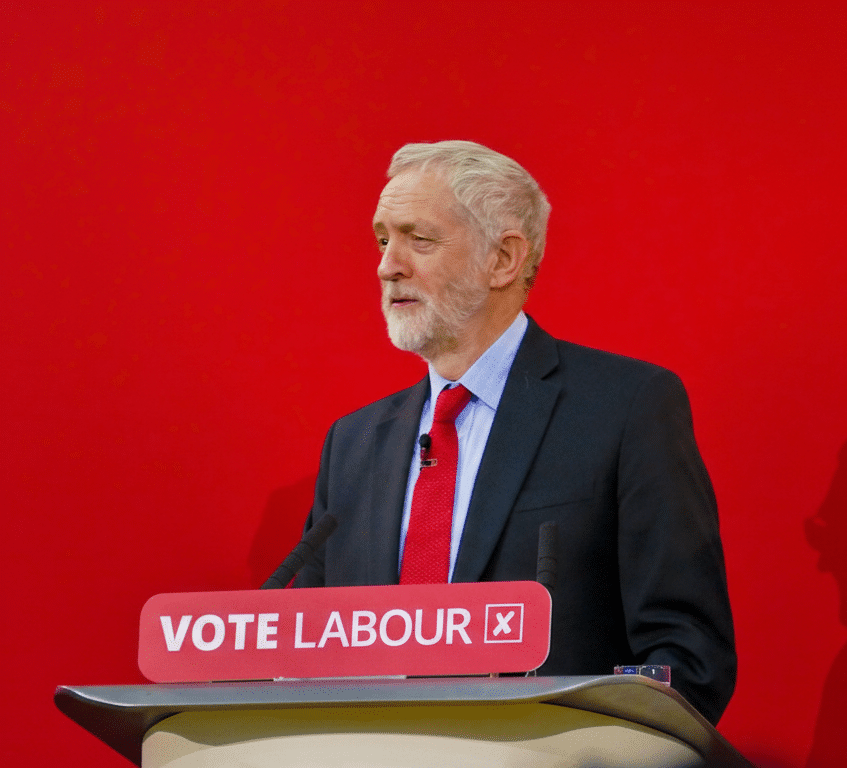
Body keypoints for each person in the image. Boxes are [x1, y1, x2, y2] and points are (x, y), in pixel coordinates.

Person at [292, 140, 736, 723]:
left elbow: (686, 655)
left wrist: (584, 734)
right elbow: (299, 649)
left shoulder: (625, 408)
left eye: (417, 238)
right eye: (382, 239)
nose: (386, 264)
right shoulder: (352, 443)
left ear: (503, 259)